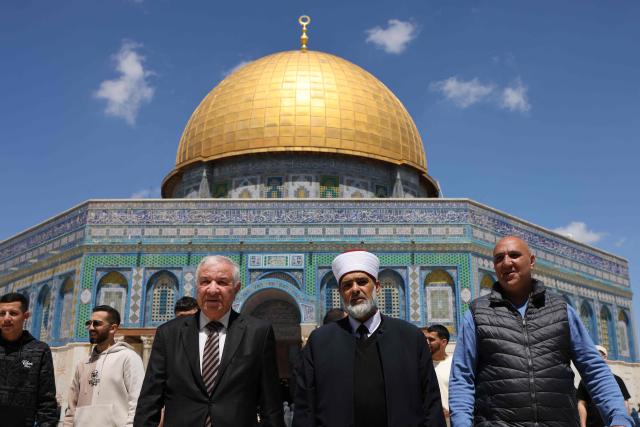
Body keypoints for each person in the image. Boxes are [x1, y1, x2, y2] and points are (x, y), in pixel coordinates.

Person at [449, 235, 633, 427]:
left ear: (532, 261)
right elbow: (462, 376)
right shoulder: (478, 313)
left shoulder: (560, 310)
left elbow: (593, 368)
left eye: (514, 255)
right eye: (499, 258)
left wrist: (618, 417)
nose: (506, 262)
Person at [293, 250, 446, 427]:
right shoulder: (320, 342)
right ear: (341, 293)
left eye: (362, 282)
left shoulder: (410, 338)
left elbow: (431, 403)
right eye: (347, 285)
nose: (355, 289)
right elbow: (305, 408)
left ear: (378, 287)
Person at [134, 255, 284, 427]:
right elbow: (150, 400)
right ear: (197, 286)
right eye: (205, 281)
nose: (212, 290)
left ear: (236, 289)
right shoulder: (169, 333)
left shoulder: (257, 333)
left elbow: (271, 404)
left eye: (222, 282)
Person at [64, 305, 145, 426]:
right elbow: (71, 408)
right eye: (89, 323)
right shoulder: (82, 364)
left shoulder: (128, 358)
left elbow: (137, 401)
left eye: (97, 323)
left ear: (113, 328)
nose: (91, 327)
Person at [0, 292, 58, 427]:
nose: (6, 318)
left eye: (13, 313)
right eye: (2, 313)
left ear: (25, 316)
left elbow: (46, 401)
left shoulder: (39, 350)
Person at [577, 345, 632, 427]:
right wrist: (583, 425)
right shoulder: (585, 381)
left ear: (605, 357)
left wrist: (625, 423)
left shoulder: (617, 380)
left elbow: (625, 402)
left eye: (598, 355)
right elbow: (581, 404)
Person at [423, 324, 452, 427]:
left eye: (431, 340)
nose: (427, 343)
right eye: (425, 339)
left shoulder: (455, 364)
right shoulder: (421, 365)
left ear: (443, 342)